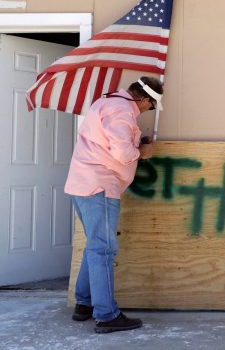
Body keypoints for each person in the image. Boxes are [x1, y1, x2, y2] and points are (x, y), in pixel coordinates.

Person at [65, 76, 164, 334]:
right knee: (104, 250)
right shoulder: (121, 112)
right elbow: (121, 153)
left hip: (83, 183)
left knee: (95, 247)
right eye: (151, 106)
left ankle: (84, 304)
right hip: (100, 186)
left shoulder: (107, 102)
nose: (148, 111)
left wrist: (136, 138)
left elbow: (109, 139)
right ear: (143, 99)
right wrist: (142, 153)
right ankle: (107, 316)